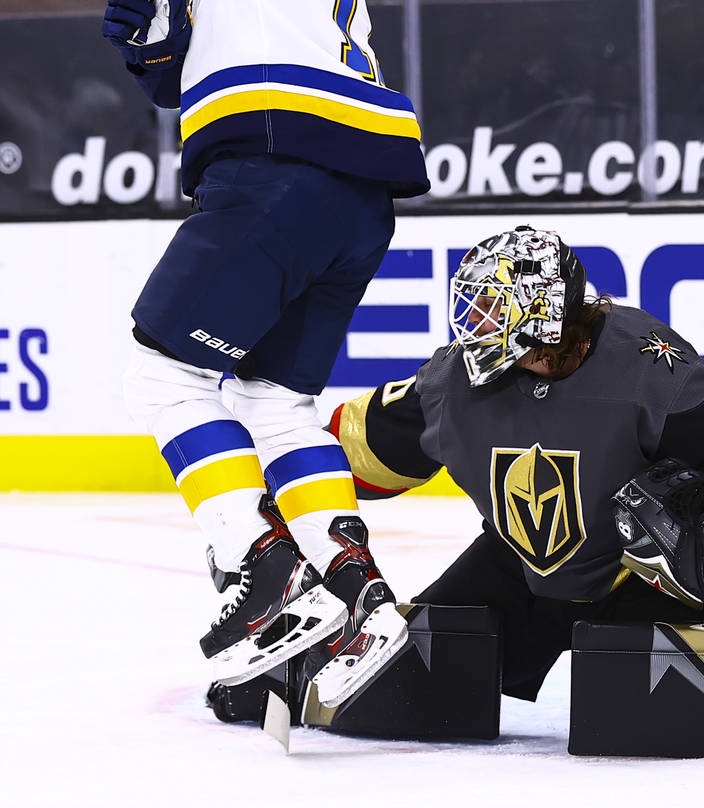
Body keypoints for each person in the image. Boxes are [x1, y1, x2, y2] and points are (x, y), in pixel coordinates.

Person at [102, 0, 430, 706]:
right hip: (364, 184)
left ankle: (262, 563)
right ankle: (359, 595)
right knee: (275, 402)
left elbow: (156, 44)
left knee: (163, 376)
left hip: (274, 150)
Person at [328, 226, 704, 701]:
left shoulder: (655, 369)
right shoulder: (454, 383)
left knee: (636, 720)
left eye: (494, 308)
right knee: (401, 683)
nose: (479, 324)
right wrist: (274, 488)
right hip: (524, 562)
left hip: (647, 575)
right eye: (476, 308)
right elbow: (348, 450)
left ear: (546, 312)